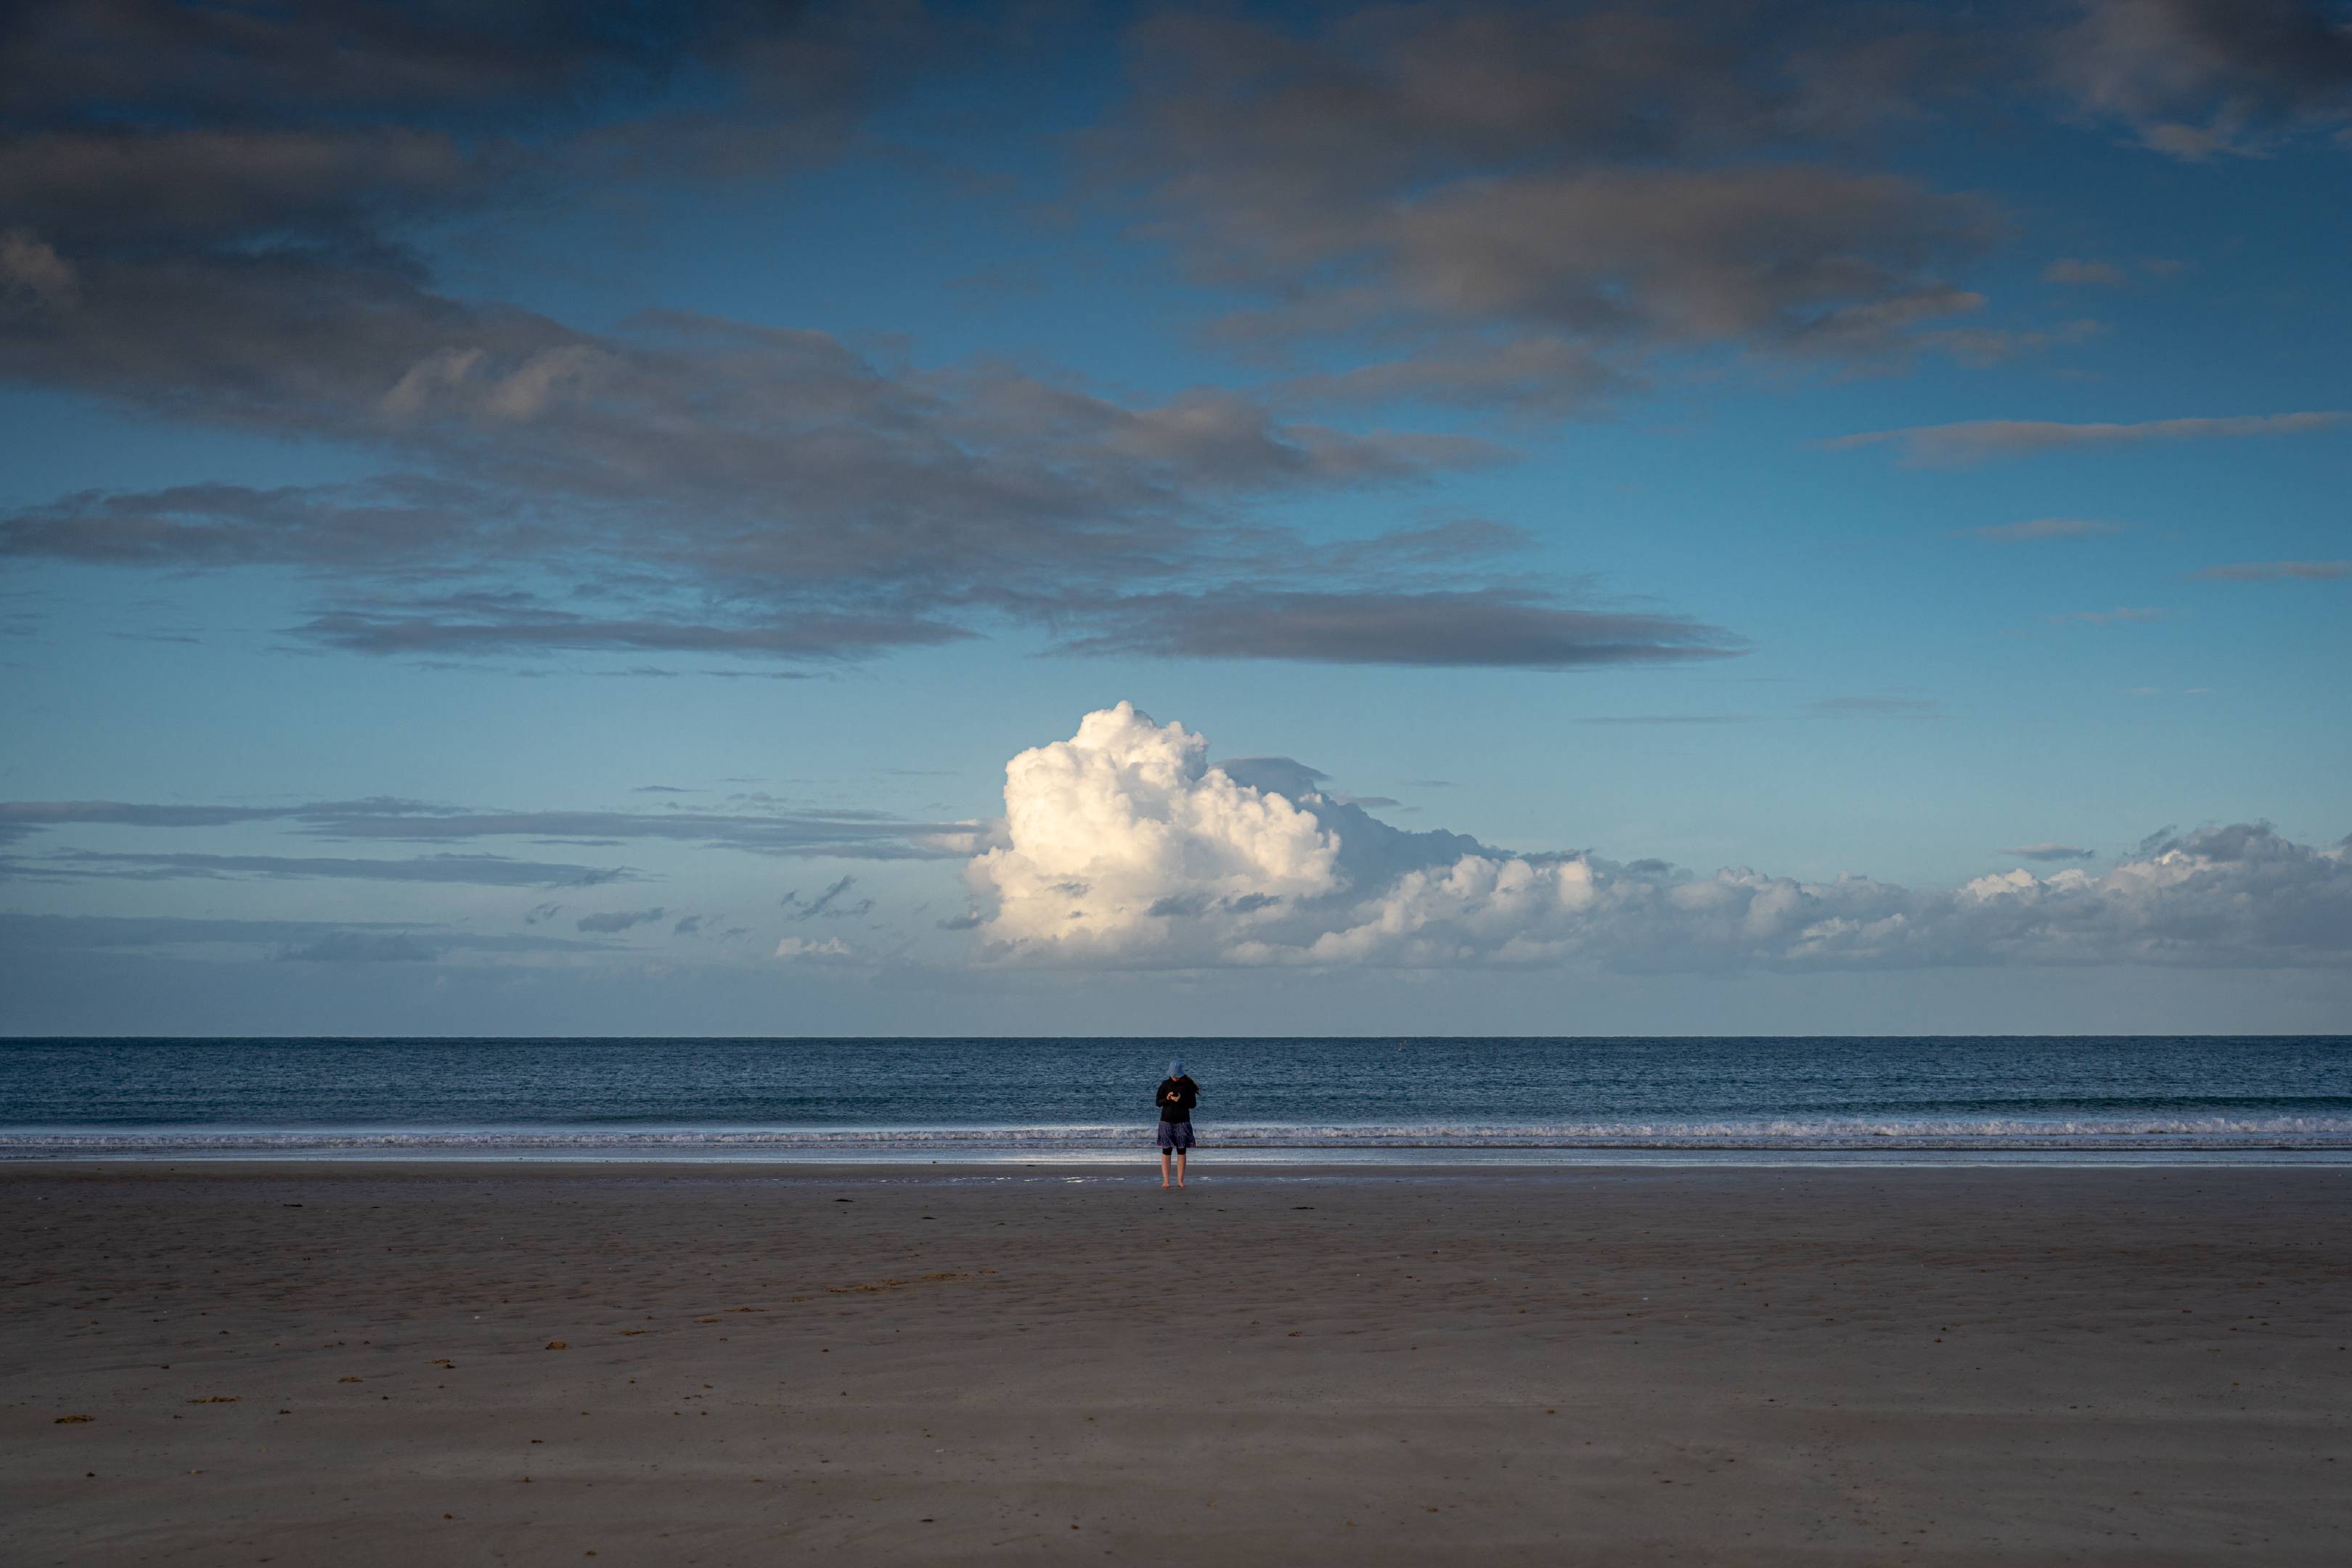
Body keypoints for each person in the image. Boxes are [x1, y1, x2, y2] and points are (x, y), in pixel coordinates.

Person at [1154, 1058, 1199, 1189]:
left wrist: (1181, 1099)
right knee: (1166, 1150)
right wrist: (1167, 1099)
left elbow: (1193, 1105)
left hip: (1183, 1122)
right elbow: (1158, 1103)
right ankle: (1166, 1181)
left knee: (1182, 1150)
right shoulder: (1164, 1084)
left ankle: (1180, 1181)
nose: (1174, 1078)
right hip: (1166, 1121)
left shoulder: (1188, 1085)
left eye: (1176, 1075)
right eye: (1173, 1075)